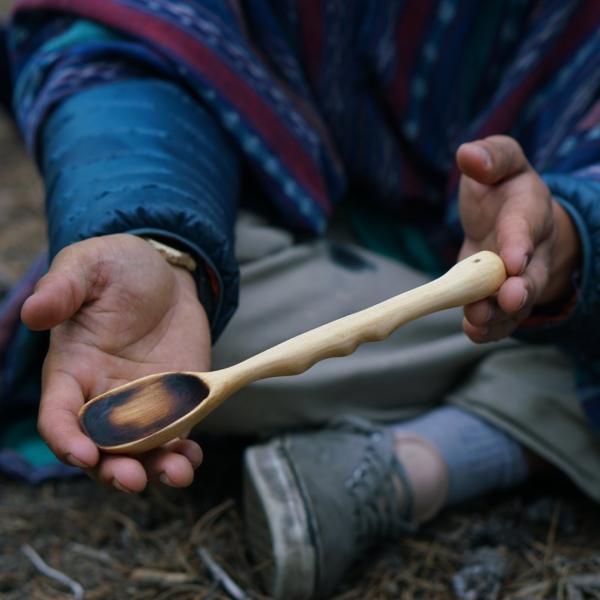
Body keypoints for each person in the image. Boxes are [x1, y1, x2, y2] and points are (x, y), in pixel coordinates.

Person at [2, 1, 600, 598]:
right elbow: (122, 45)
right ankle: (527, 403)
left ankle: (436, 457)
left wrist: (567, 237)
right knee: (177, 318)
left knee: (555, 321)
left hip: (543, 278)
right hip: (301, 231)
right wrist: (160, 247)